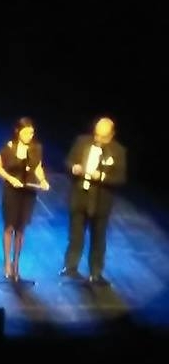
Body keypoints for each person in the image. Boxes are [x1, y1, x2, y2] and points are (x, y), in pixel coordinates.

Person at [63, 117, 128, 284]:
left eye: (103, 136)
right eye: (97, 134)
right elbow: (68, 161)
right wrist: (74, 167)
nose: (98, 138)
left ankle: (96, 273)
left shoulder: (118, 151)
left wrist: (101, 176)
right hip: (80, 196)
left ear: (111, 135)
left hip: (100, 201)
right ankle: (70, 267)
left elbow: (120, 178)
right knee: (75, 235)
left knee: (98, 238)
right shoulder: (81, 142)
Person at [0, 118, 47, 282]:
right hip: (11, 191)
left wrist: (43, 181)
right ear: (18, 132)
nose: (29, 135)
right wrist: (10, 178)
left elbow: (37, 168)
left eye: (31, 132)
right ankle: (7, 262)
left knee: (21, 229)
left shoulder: (36, 149)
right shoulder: (9, 148)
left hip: (28, 192)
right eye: (26, 132)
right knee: (9, 227)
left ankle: (17, 263)